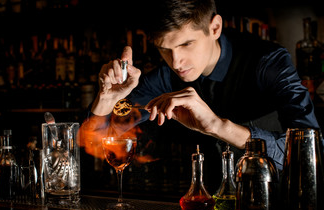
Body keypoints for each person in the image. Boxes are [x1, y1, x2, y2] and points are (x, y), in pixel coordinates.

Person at [79, 0, 321, 192]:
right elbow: (94, 143)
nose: (176, 62)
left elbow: (312, 154)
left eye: (186, 44)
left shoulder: (268, 62)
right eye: (165, 49)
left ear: (214, 28)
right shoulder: (166, 76)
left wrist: (218, 126)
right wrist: (106, 101)